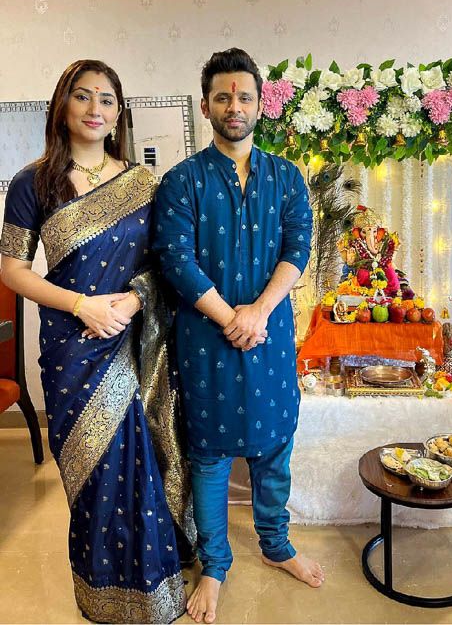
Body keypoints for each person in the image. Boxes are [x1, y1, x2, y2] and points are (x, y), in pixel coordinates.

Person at [0, 60, 192, 623]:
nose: (94, 109)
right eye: (82, 97)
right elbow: (11, 269)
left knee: (143, 463)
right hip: (70, 348)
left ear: (119, 113)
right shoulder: (31, 183)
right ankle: (102, 594)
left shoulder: (143, 183)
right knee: (93, 476)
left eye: (106, 100)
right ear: (62, 105)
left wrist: (132, 302)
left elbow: (164, 263)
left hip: (132, 345)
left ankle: (154, 590)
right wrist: (80, 304)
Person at [152, 48, 322, 624]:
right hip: (208, 345)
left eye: (244, 96)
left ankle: (276, 545)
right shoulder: (182, 182)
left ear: (260, 104)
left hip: (270, 340)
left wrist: (260, 312)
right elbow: (176, 260)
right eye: (222, 96)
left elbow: (298, 247)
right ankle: (215, 564)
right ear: (206, 106)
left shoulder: (287, 177)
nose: (234, 106)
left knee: (275, 449)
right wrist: (231, 317)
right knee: (210, 457)